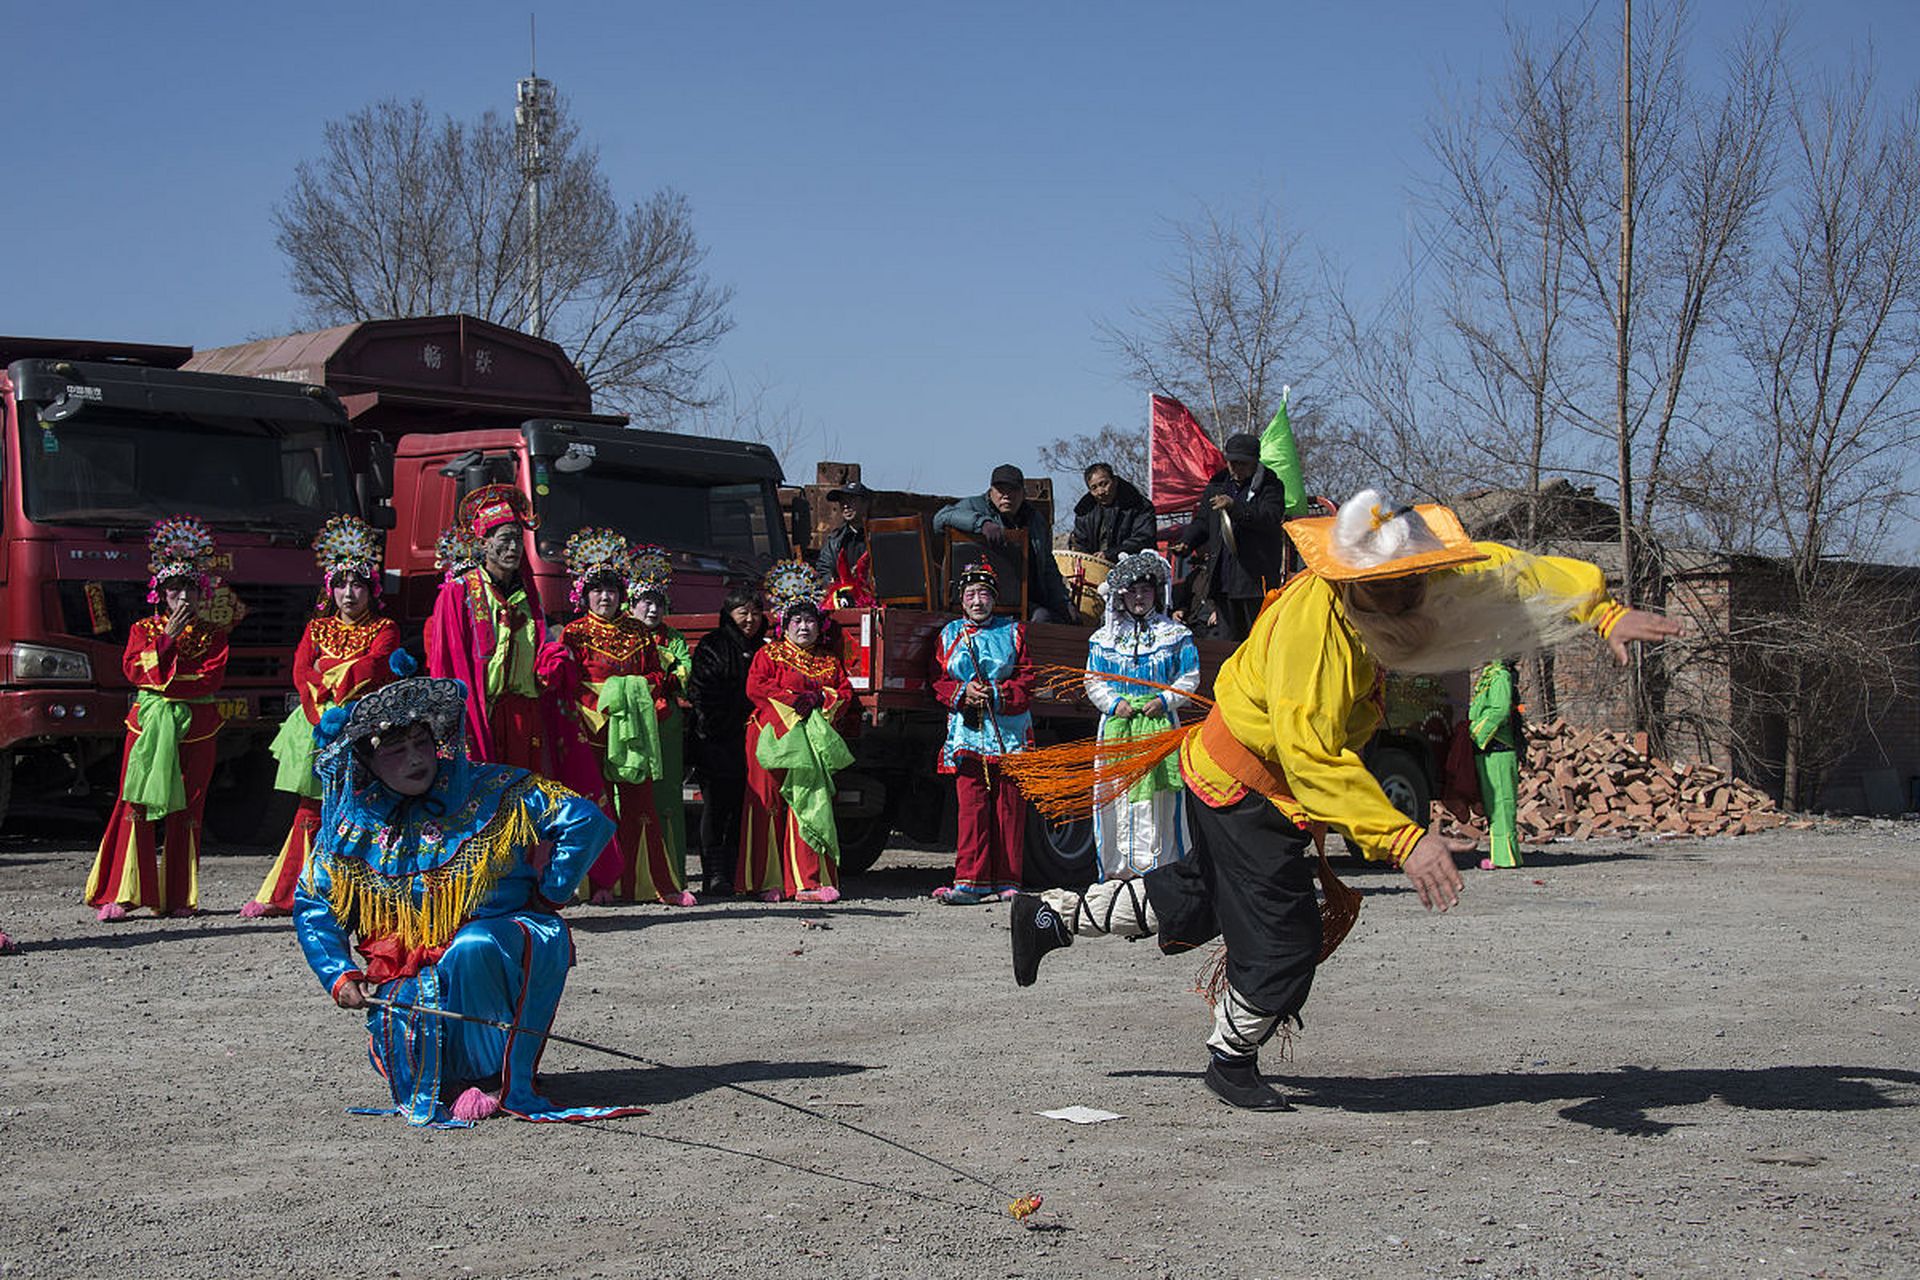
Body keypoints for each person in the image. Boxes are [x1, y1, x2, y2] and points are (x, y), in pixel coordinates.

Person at [1009, 488, 1683, 1110]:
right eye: (1392, 590)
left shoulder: (1416, 574)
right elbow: (1314, 759)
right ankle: (1230, 1056)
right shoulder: (1314, 632)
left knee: (1194, 896)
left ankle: (1053, 918)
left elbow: (1509, 571)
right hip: (1247, 782)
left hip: (1241, 772)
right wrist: (1402, 838)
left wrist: (1602, 609)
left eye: (1412, 583)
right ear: (1357, 584)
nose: (1413, 599)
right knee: (1286, 935)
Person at [293, 676, 639, 1127]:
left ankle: (498, 1077)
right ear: (366, 761)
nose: (416, 758)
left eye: (422, 743)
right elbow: (315, 902)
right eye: (396, 750)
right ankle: (451, 1083)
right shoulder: (354, 825)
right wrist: (338, 976)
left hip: (502, 936)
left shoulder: (491, 788)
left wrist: (550, 891)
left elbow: (585, 821)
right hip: (417, 957)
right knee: (403, 1012)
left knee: (473, 945)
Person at [246, 515, 401, 919]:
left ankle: (363, 894)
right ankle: (289, 892)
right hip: (317, 725)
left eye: (358, 584)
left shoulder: (386, 628)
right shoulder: (315, 628)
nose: (349, 593)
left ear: (372, 589)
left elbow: (372, 667)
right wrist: (320, 714)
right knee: (309, 809)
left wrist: (333, 681)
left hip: (364, 726)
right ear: (329, 589)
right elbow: (301, 672)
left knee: (363, 807)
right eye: (340, 584)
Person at [84, 517, 232, 922]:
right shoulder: (142, 629)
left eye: (188, 588)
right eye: (173, 588)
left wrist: (165, 679)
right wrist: (167, 639)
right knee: (136, 802)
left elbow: (210, 678)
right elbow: (134, 670)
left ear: (201, 593)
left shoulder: (214, 636)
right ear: (160, 593)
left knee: (189, 810)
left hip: (197, 729)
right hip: (147, 726)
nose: (181, 595)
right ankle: (124, 893)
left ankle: (178, 897)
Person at [538, 530, 695, 906]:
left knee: (642, 805)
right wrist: (603, 704)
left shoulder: (639, 632)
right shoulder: (573, 633)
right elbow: (568, 683)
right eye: (597, 590)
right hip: (592, 727)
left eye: (611, 589)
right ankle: (598, 884)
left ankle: (653, 884)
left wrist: (635, 691)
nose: (605, 596)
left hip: (634, 729)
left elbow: (658, 675)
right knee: (597, 804)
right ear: (583, 594)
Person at [738, 562, 857, 904]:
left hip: (811, 744)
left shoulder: (828, 662)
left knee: (808, 805)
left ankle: (807, 881)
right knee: (768, 806)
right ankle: (766, 881)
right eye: (797, 621)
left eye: (809, 621)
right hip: (772, 738)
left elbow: (844, 693)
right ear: (784, 626)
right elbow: (756, 688)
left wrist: (822, 697)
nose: (804, 626)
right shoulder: (769, 654)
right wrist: (795, 700)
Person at [1084, 550, 1201, 880]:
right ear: (1122, 594)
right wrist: (1113, 703)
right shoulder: (1104, 639)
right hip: (1118, 727)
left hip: (1159, 726)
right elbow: (1093, 679)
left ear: (1156, 592)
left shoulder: (1174, 635)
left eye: (1146, 590)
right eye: (1133, 590)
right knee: (1116, 795)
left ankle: (1161, 871)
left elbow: (1189, 676)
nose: (1139, 597)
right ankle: (1119, 871)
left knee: (1161, 800)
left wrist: (1165, 700)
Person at [425, 484, 555, 771]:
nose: (513, 547)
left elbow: (541, 645)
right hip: (480, 713)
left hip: (522, 716)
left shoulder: (529, 595)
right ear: (483, 543)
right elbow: (445, 662)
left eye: (519, 540)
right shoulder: (458, 593)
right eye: (505, 539)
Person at [930, 559, 1035, 905]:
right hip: (968, 731)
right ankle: (970, 881)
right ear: (962, 601)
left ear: (995, 599)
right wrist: (963, 693)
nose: (978, 601)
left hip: (1008, 731)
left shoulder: (1013, 632)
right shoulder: (949, 635)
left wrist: (996, 692)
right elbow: (939, 680)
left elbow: (1026, 679)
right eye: (971, 594)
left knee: (1009, 806)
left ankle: (1007, 880)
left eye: (984, 594)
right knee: (972, 806)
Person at [1172, 434, 1291, 642]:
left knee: (1256, 640)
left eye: (1242, 464)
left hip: (1254, 582)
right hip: (1222, 580)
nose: (1236, 469)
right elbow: (1203, 521)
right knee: (1227, 643)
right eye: (1231, 463)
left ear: (1255, 462)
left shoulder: (1270, 487)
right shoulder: (1217, 485)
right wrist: (1187, 541)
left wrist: (1235, 508)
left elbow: (1269, 518)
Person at [626, 544, 694, 893]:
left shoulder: (673, 637)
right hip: (629, 723)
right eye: (645, 602)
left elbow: (683, 671)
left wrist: (667, 673)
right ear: (631, 603)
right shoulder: (622, 634)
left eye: (658, 602)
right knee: (630, 794)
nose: (652, 609)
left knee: (666, 796)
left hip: (664, 722)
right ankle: (630, 878)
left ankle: (669, 876)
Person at [690, 586, 766, 896]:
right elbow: (703, 692)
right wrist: (722, 724)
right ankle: (714, 874)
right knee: (716, 808)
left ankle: (738, 872)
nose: (749, 619)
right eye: (743, 612)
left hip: (754, 741)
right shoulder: (713, 645)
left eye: (755, 613)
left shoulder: (765, 648)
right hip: (718, 740)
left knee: (743, 808)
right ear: (729, 615)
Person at [933, 464, 1075, 624]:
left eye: (1013, 490)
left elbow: (1048, 568)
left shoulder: (1035, 521)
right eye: (1000, 489)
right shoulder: (974, 506)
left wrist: (1063, 601)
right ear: (991, 491)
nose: (1006, 496)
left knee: (1049, 619)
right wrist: (982, 523)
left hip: (1023, 602)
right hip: (979, 601)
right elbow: (940, 518)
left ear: (1023, 493)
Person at [1470, 658, 1525, 869]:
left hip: (1498, 748)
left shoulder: (1500, 676)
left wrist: (1475, 731)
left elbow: (1499, 711)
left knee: (1502, 803)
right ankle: (1499, 854)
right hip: (1488, 749)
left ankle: (1506, 857)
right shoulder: (1490, 675)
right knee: (1494, 805)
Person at [1069, 463, 1157, 560]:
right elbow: (1079, 543)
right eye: (1094, 488)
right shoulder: (1084, 512)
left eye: (1104, 484)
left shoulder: (1139, 505)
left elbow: (1144, 538)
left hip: (1134, 566)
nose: (1100, 492)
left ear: (1115, 481)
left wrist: (1111, 554)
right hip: (1095, 570)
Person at [817, 480, 877, 607]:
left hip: (875, 602)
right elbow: (824, 570)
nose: (845, 505)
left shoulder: (880, 537)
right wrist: (835, 586)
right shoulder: (834, 540)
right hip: (842, 602)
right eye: (842, 501)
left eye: (851, 500)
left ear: (866, 504)